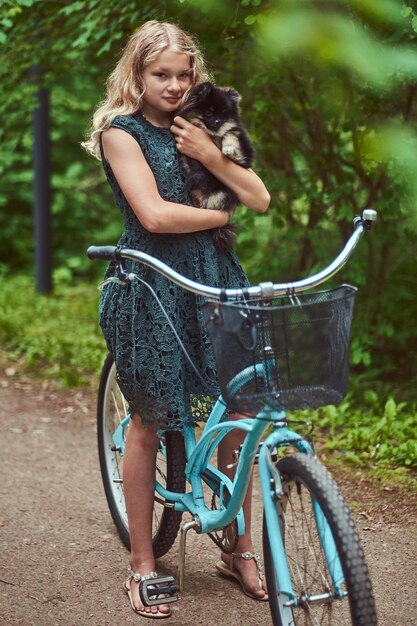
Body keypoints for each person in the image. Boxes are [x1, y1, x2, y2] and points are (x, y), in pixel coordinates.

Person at [82, 20, 270, 619]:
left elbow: (260, 197)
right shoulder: (122, 131)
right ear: (136, 74)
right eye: (160, 74)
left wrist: (212, 155)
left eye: (183, 74)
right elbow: (156, 216)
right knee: (150, 415)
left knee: (239, 409)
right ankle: (142, 562)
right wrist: (221, 218)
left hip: (216, 281)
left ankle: (239, 546)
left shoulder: (204, 124)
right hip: (152, 286)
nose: (173, 84)